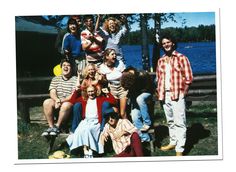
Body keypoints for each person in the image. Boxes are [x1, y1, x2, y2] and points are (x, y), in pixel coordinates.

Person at [155, 35, 193, 156]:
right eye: (164, 43)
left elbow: (188, 78)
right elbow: (158, 78)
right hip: (164, 94)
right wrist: (159, 92)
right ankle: (173, 141)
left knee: (179, 121)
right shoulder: (160, 60)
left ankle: (180, 149)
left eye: (168, 42)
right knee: (170, 120)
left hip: (177, 94)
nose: (166, 44)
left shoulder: (181, 58)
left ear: (173, 43)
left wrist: (183, 93)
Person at [66, 85, 117, 158]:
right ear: (86, 93)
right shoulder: (84, 99)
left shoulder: (100, 99)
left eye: (92, 91)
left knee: (88, 130)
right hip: (86, 121)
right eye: (89, 92)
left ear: (96, 91)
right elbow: (72, 101)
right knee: (79, 130)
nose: (90, 93)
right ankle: (84, 149)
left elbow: (114, 102)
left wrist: (108, 93)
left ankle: (90, 150)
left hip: (96, 122)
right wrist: (76, 91)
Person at [41, 59, 77, 136]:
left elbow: (73, 95)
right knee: (47, 102)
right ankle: (51, 127)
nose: (66, 67)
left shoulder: (75, 79)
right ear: (61, 67)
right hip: (57, 100)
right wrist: (57, 100)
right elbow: (52, 92)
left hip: (68, 101)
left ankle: (57, 126)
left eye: (68, 65)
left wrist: (61, 101)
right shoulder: (56, 79)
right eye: (64, 65)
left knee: (66, 105)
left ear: (72, 68)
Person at [121, 66, 154, 142]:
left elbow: (150, 87)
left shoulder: (142, 75)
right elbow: (130, 91)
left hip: (147, 92)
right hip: (136, 98)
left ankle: (147, 122)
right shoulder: (127, 76)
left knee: (140, 99)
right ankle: (145, 138)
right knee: (135, 116)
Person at [99, 48, 128, 119]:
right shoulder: (102, 67)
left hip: (122, 88)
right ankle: (116, 129)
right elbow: (104, 81)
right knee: (115, 112)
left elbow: (125, 76)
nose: (115, 56)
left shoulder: (120, 63)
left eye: (115, 54)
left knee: (122, 113)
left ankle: (128, 129)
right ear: (107, 56)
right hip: (112, 89)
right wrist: (101, 79)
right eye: (112, 54)